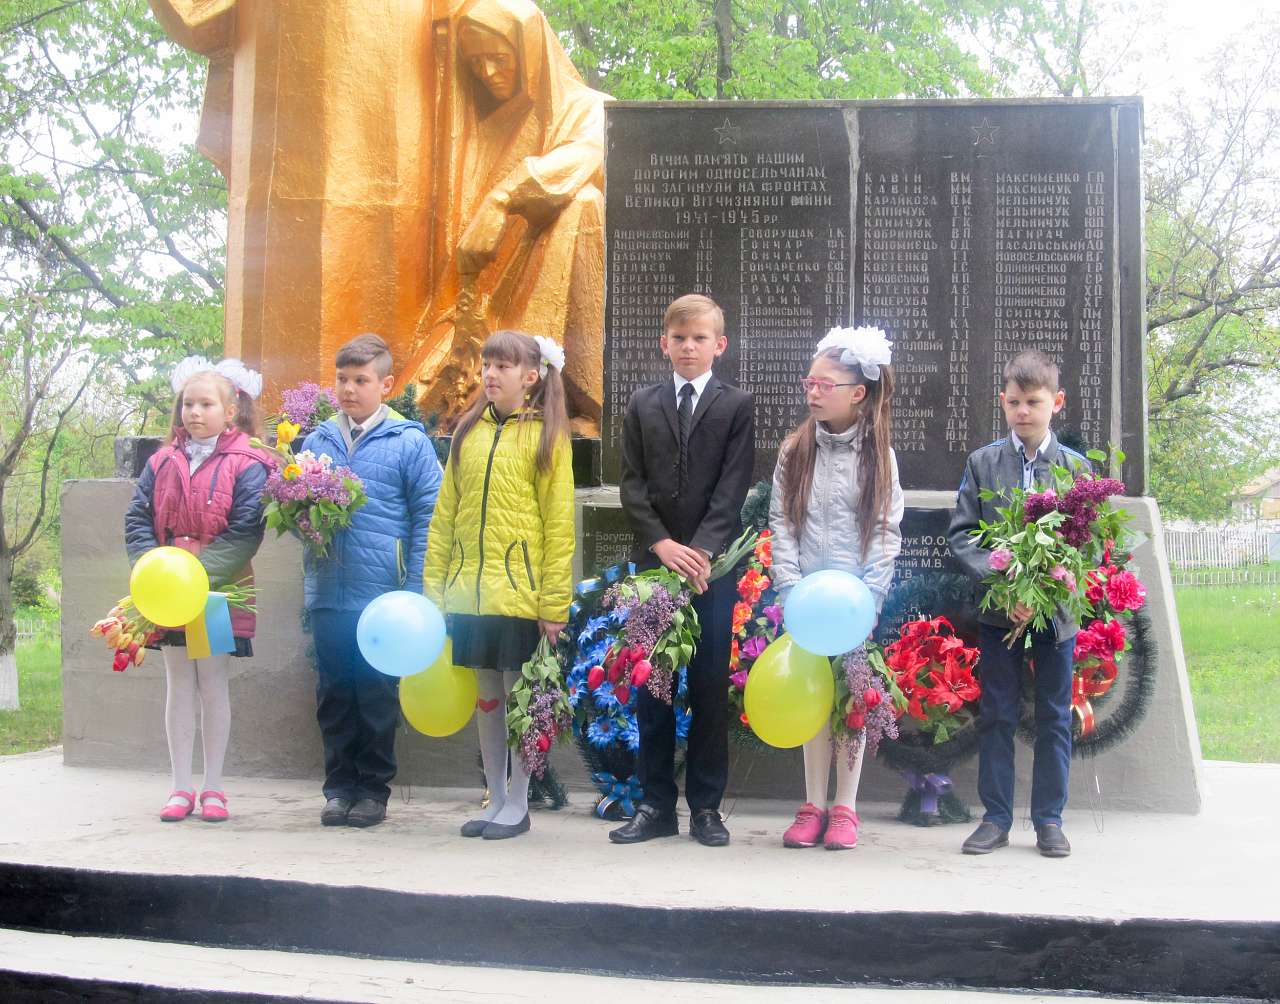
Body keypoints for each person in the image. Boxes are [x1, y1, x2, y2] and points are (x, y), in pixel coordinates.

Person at [408, 0, 608, 432]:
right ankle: (499, 382)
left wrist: (502, 199)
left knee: (583, 202)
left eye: (499, 58)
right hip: (482, 296)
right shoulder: (481, 127)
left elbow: (586, 156)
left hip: (550, 266)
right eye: (476, 62)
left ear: (530, 52)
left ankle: (551, 389)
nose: (488, 72)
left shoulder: (590, 108)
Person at [610, 294, 755, 848]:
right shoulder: (642, 403)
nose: (689, 347)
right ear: (664, 343)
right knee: (655, 686)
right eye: (679, 338)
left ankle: (706, 808)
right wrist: (663, 544)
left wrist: (700, 552)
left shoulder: (736, 405)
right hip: (656, 567)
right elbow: (632, 485)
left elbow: (732, 487)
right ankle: (655, 804)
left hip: (709, 572)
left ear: (720, 345)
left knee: (709, 686)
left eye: (700, 338)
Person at [423, 330, 575, 840]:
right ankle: (495, 796)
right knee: (486, 698)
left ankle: (520, 801)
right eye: (487, 364)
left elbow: (558, 526)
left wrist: (553, 603)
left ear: (530, 376)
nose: (490, 374)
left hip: (519, 596)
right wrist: (434, 593)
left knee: (519, 700)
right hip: (470, 593)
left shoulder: (547, 437)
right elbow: (444, 518)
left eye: (503, 366)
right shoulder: (469, 431)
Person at [948, 349, 1090, 858]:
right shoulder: (983, 463)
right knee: (997, 714)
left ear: (1057, 402)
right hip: (999, 612)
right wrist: (1004, 584)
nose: (1023, 411)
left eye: (1033, 402)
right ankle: (996, 818)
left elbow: (1086, 543)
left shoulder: (1075, 468)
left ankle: (1049, 820)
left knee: (1053, 716)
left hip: (1055, 615)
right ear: (1002, 402)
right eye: (1013, 402)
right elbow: (963, 534)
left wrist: (1045, 589)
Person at [769, 328, 903, 851]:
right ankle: (812, 805)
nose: (813, 392)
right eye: (810, 382)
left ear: (857, 393)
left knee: (850, 699)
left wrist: (871, 597)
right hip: (805, 600)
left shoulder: (879, 457)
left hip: (852, 604)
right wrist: (789, 588)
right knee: (811, 696)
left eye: (825, 384)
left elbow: (886, 530)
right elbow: (782, 524)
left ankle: (845, 806)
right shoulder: (795, 451)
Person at [300, 333, 442, 829]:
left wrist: (415, 588)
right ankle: (338, 788)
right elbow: (300, 512)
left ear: (386, 384)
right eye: (342, 379)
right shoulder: (317, 442)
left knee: (376, 695)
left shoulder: (409, 442)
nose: (349, 389)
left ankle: (373, 791)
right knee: (334, 694)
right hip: (329, 590)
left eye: (361, 380)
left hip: (384, 596)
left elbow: (429, 516)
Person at [124, 357, 272, 823]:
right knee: (178, 684)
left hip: (216, 593)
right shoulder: (161, 461)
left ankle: (214, 787)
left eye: (206, 404)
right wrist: (155, 572)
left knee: (211, 684)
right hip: (167, 593)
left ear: (230, 411)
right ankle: (179, 787)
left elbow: (245, 531)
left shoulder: (250, 462)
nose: (194, 412)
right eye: (188, 403)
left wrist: (194, 577)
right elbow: (138, 519)